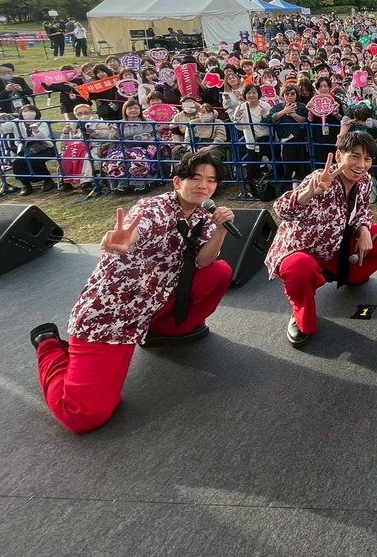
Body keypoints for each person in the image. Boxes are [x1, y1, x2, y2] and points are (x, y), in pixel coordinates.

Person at [28, 149, 236, 434]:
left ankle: (168, 331)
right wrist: (124, 238)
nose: (203, 185)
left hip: (155, 303)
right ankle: (49, 345)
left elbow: (202, 261)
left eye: (211, 181)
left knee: (219, 272)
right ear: (177, 182)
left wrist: (221, 230)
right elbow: (139, 224)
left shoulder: (203, 215)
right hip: (114, 317)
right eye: (195, 177)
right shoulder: (152, 208)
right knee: (83, 415)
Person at [264, 129, 377, 349]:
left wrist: (364, 229)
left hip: (337, 246)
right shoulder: (320, 179)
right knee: (299, 267)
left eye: (367, 158)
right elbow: (281, 210)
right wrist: (309, 194)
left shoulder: (366, 180)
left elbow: (362, 210)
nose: (361, 164)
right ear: (339, 156)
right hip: (303, 250)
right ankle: (300, 315)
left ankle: (352, 275)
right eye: (355, 156)